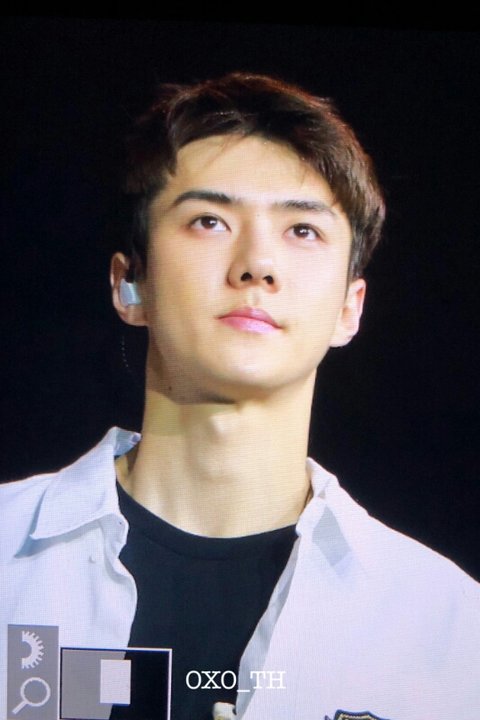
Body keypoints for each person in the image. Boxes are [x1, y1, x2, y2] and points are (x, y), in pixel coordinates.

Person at [1, 72, 479, 720]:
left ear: (350, 307)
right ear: (129, 283)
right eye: (210, 221)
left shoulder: (446, 629)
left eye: (302, 231)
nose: (257, 264)